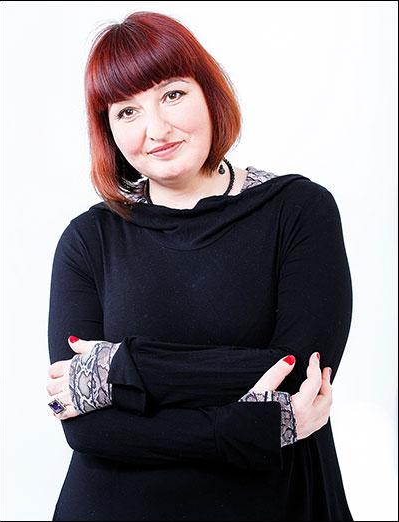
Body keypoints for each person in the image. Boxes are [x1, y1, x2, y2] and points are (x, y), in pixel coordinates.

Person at [46, 10, 353, 521]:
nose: (156, 129)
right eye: (127, 111)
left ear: (209, 93)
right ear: (108, 130)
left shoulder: (298, 210)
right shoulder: (88, 240)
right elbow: (85, 425)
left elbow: (299, 376)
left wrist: (122, 368)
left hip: (276, 505)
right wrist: (247, 429)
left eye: (172, 94)